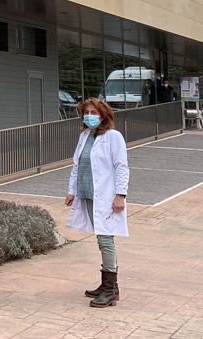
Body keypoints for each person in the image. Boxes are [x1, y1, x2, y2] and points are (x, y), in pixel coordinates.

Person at [65, 98, 129, 308]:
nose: (90, 115)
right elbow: (77, 166)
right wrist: (72, 191)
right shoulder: (85, 136)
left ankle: (110, 290)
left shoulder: (113, 137)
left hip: (107, 197)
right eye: (87, 112)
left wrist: (120, 194)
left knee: (105, 240)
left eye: (94, 112)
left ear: (103, 116)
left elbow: (121, 166)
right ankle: (107, 286)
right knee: (101, 238)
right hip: (89, 195)